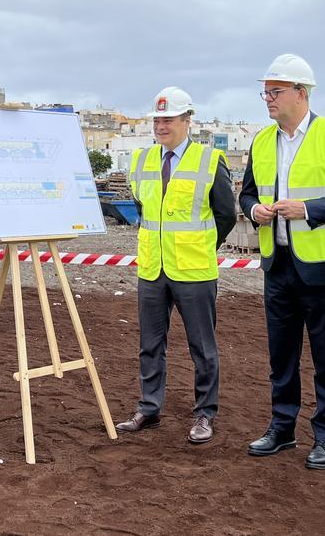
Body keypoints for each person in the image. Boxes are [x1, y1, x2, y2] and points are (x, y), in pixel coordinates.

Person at [239, 53, 325, 469]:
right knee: (282, 355)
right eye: (266, 92)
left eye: (275, 92)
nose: (268, 99)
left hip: (323, 267)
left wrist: (308, 210)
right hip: (277, 265)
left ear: (302, 93)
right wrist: (254, 210)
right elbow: (246, 193)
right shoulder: (261, 141)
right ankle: (282, 427)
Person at [115, 86, 236, 444]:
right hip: (153, 268)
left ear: (187, 121)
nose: (161, 126)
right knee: (150, 344)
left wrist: (200, 245)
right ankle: (149, 408)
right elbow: (142, 210)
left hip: (194, 271)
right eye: (157, 120)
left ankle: (204, 414)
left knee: (202, 346)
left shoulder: (210, 161)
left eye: (168, 119)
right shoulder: (142, 161)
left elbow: (226, 215)